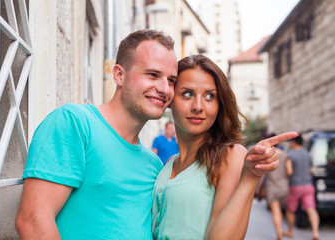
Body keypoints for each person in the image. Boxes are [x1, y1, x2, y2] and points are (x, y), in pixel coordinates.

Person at [15, 29, 178, 240]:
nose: (165, 88)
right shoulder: (75, 124)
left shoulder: (154, 165)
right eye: (153, 75)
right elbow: (33, 222)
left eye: (171, 80)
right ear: (119, 75)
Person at [151, 55, 298, 240]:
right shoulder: (168, 165)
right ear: (171, 99)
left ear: (219, 105)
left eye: (209, 96)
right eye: (187, 94)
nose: (198, 106)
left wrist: (251, 177)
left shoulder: (230, 155)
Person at [284, 134, 320, 240]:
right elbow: (310, 170)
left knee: (290, 210)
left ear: (293, 142)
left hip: (295, 186)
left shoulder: (290, 155)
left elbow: (289, 171)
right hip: (308, 185)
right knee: (311, 209)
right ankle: (315, 232)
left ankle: (290, 231)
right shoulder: (307, 154)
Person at [257, 133, 292, 240]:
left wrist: (259, 188)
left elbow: (263, 175)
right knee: (281, 210)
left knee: (275, 210)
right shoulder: (286, 155)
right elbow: (290, 171)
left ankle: (279, 233)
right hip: (284, 187)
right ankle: (284, 230)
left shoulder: (268, 156)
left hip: (272, 187)